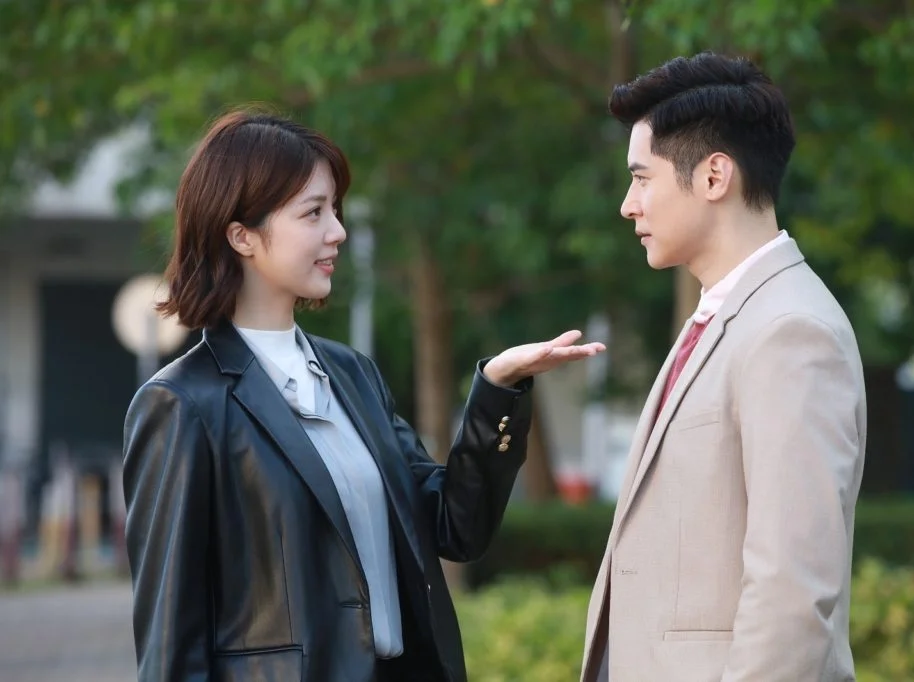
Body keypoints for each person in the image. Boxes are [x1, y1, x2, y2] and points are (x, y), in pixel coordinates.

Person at [122, 108, 605, 682]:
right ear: (241, 235)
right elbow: (172, 643)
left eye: (335, 209)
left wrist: (497, 391)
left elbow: (454, 527)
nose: (338, 232)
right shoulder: (182, 404)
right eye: (313, 213)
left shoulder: (353, 375)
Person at [580, 52, 867, 681]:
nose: (628, 205)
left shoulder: (792, 332)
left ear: (714, 176)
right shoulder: (726, 316)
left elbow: (792, 592)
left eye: (642, 178)